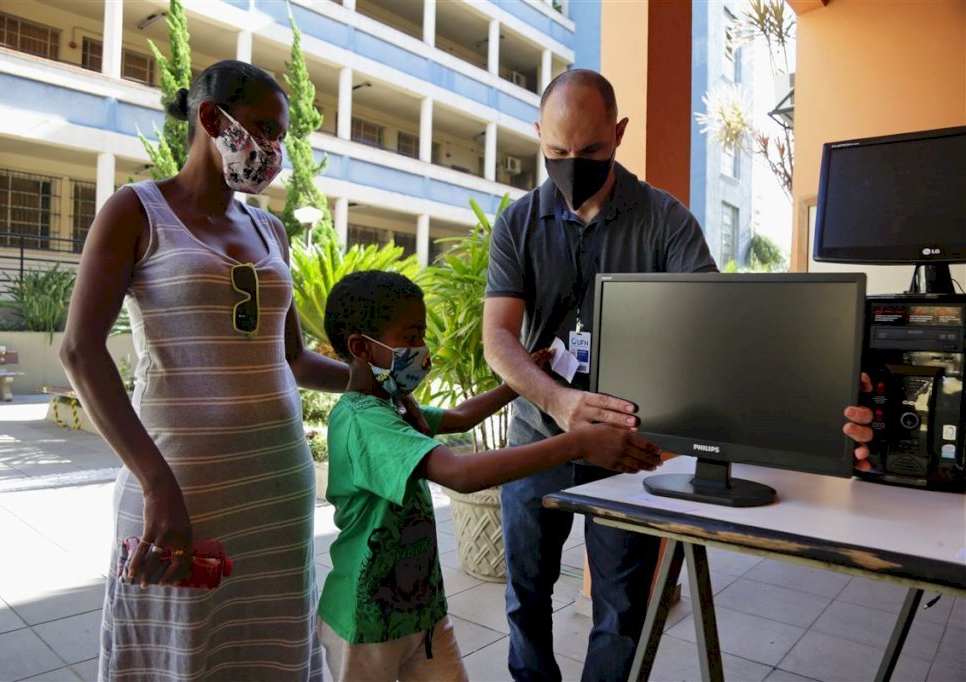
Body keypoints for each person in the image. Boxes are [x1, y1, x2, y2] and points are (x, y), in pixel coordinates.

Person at [483, 68, 883, 682]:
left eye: (590, 149)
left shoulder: (666, 221)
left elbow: (716, 328)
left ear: (619, 133)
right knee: (525, 595)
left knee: (622, 608)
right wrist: (559, 403)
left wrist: (820, 380)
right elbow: (498, 338)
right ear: (539, 134)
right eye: (558, 151)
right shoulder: (517, 224)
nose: (572, 164)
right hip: (538, 439)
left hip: (628, 447)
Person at [61, 60, 352, 680]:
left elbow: (292, 358)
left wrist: (377, 381)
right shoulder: (136, 210)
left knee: (268, 652)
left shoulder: (270, 229)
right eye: (264, 129)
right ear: (213, 119)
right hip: (179, 490)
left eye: (281, 136)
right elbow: (81, 351)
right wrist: (156, 485)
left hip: (277, 491)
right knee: (182, 654)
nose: (273, 149)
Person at [315, 270, 663, 682]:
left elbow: (461, 416)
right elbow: (459, 474)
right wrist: (577, 444)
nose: (422, 349)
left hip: (422, 611)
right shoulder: (362, 421)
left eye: (422, 334)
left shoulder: (393, 405)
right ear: (361, 347)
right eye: (410, 337)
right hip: (364, 623)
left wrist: (520, 383)